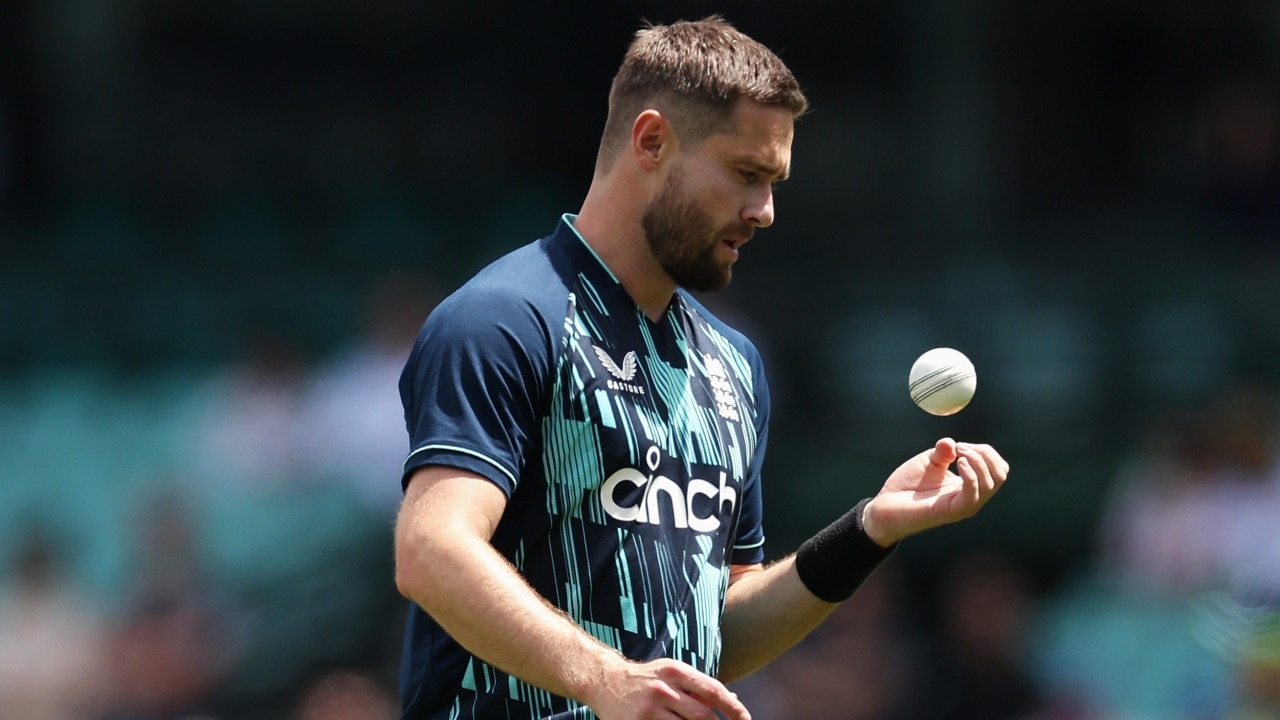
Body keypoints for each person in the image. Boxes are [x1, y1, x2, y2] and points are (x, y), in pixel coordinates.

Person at [393, 16, 1009, 720]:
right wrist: (605, 679)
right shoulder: (504, 319)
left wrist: (869, 529)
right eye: (747, 174)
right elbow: (431, 550)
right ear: (651, 140)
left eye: (774, 182)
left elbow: (717, 636)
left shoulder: (734, 363)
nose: (766, 211)